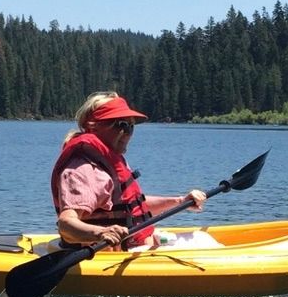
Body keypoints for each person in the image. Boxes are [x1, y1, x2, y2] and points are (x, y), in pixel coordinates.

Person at [51, 91, 206, 249]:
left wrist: (180, 201)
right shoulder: (82, 169)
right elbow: (66, 224)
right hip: (110, 257)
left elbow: (132, 207)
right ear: (93, 126)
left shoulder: (110, 160)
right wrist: (101, 233)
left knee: (203, 238)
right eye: (121, 125)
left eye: (131, 127)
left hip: (137, 248)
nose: (127, 133)